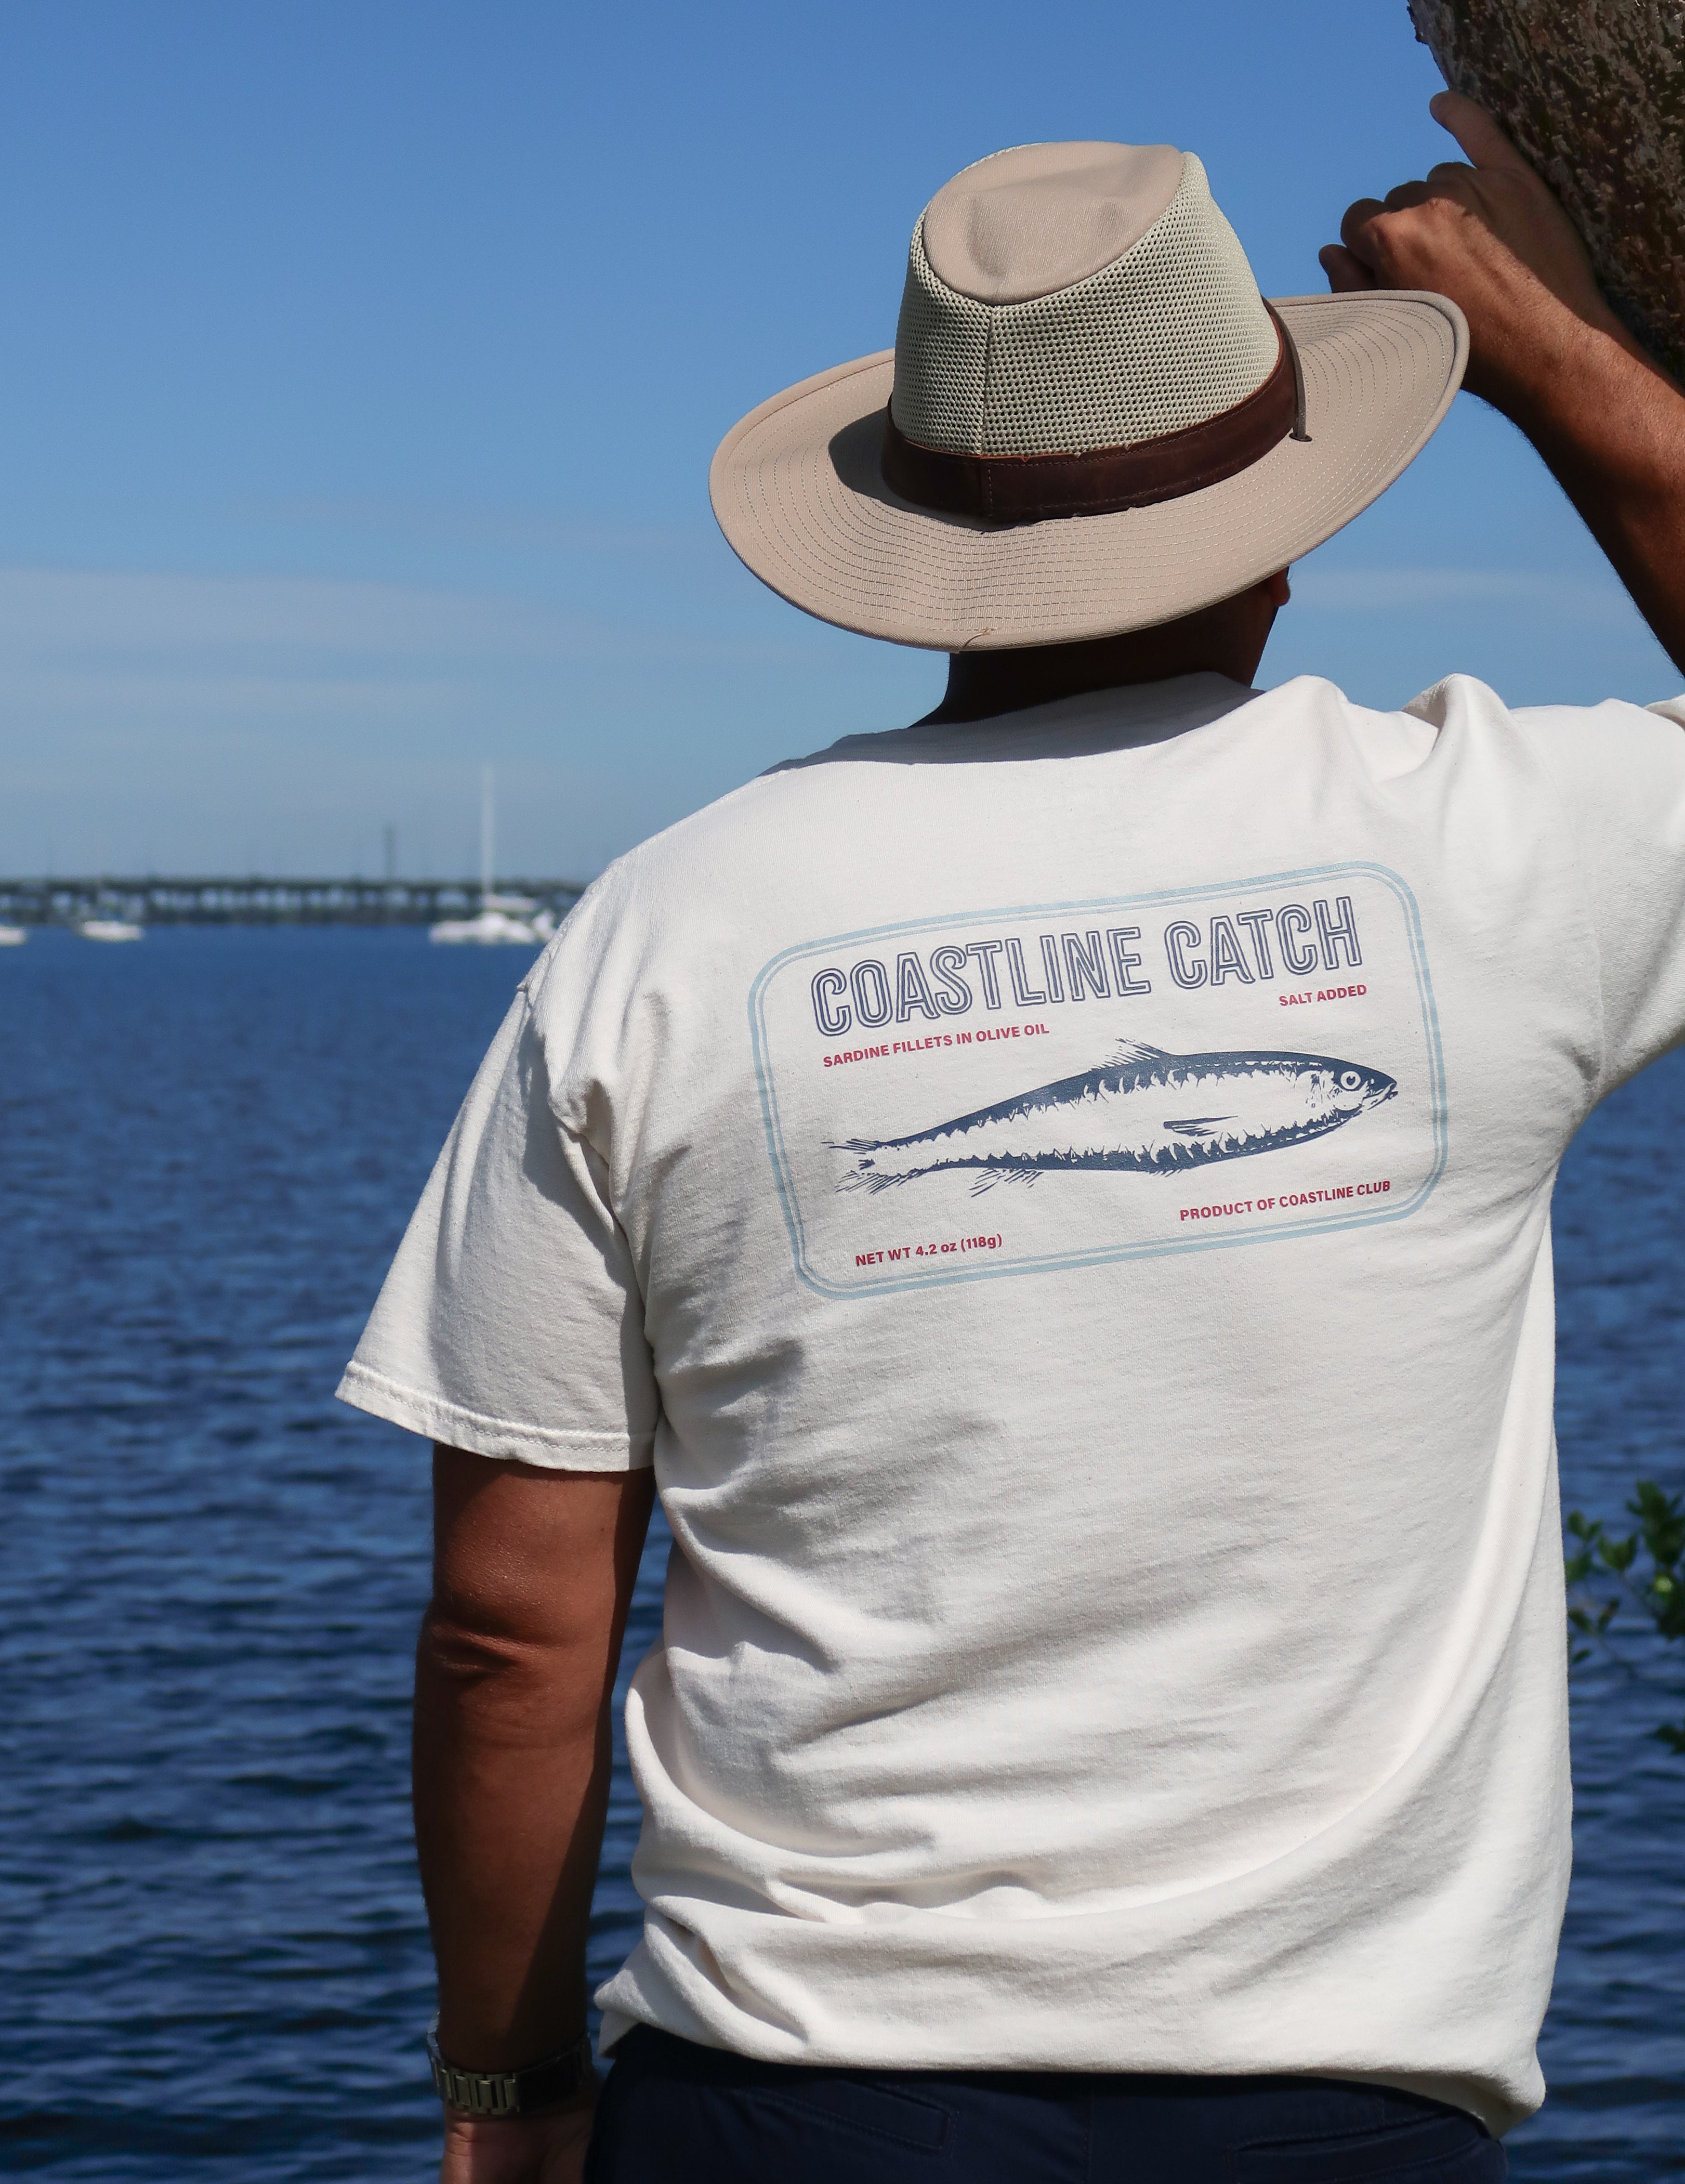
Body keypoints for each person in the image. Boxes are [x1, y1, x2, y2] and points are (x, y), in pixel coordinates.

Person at [338, 95, 1685, 2184]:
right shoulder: (1483, 848)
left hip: (773, 2112)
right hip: (1333, 2122)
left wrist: (505, 2095)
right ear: (1286, 507)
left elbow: (512, 1619)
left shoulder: (668, 926)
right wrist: (1543, 353)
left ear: (920, 539)